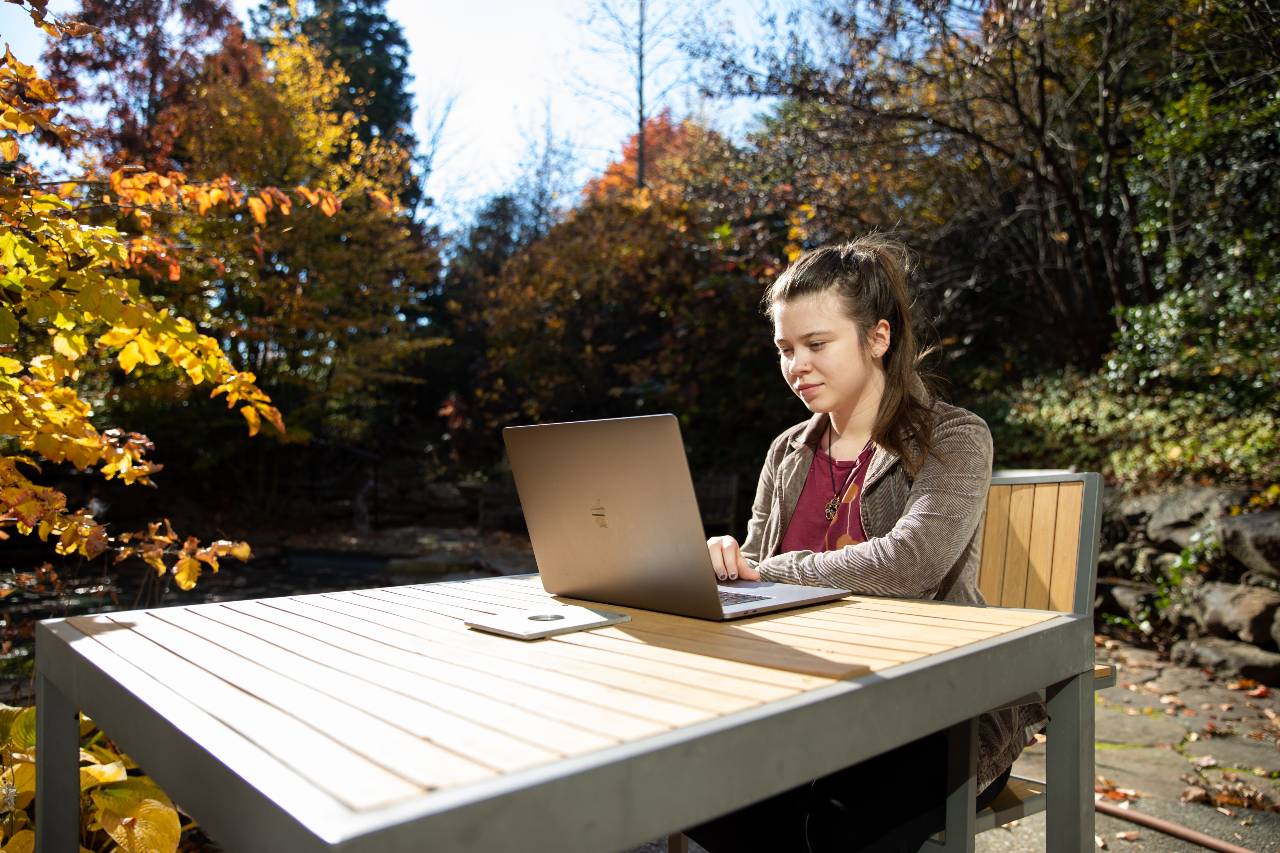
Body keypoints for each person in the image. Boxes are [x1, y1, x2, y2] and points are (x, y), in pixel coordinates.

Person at [690, 236, 1042, 852]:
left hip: (933, 709)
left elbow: (912, 563)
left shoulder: (953, 437)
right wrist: (721, 566)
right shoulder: (786, 451)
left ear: (877, 338)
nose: (796, 366)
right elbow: (754, 568)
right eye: (784, 349)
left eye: (816, 345)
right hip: (800, 699)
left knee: (833, 821)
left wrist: (767, 570)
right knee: (704, 795)